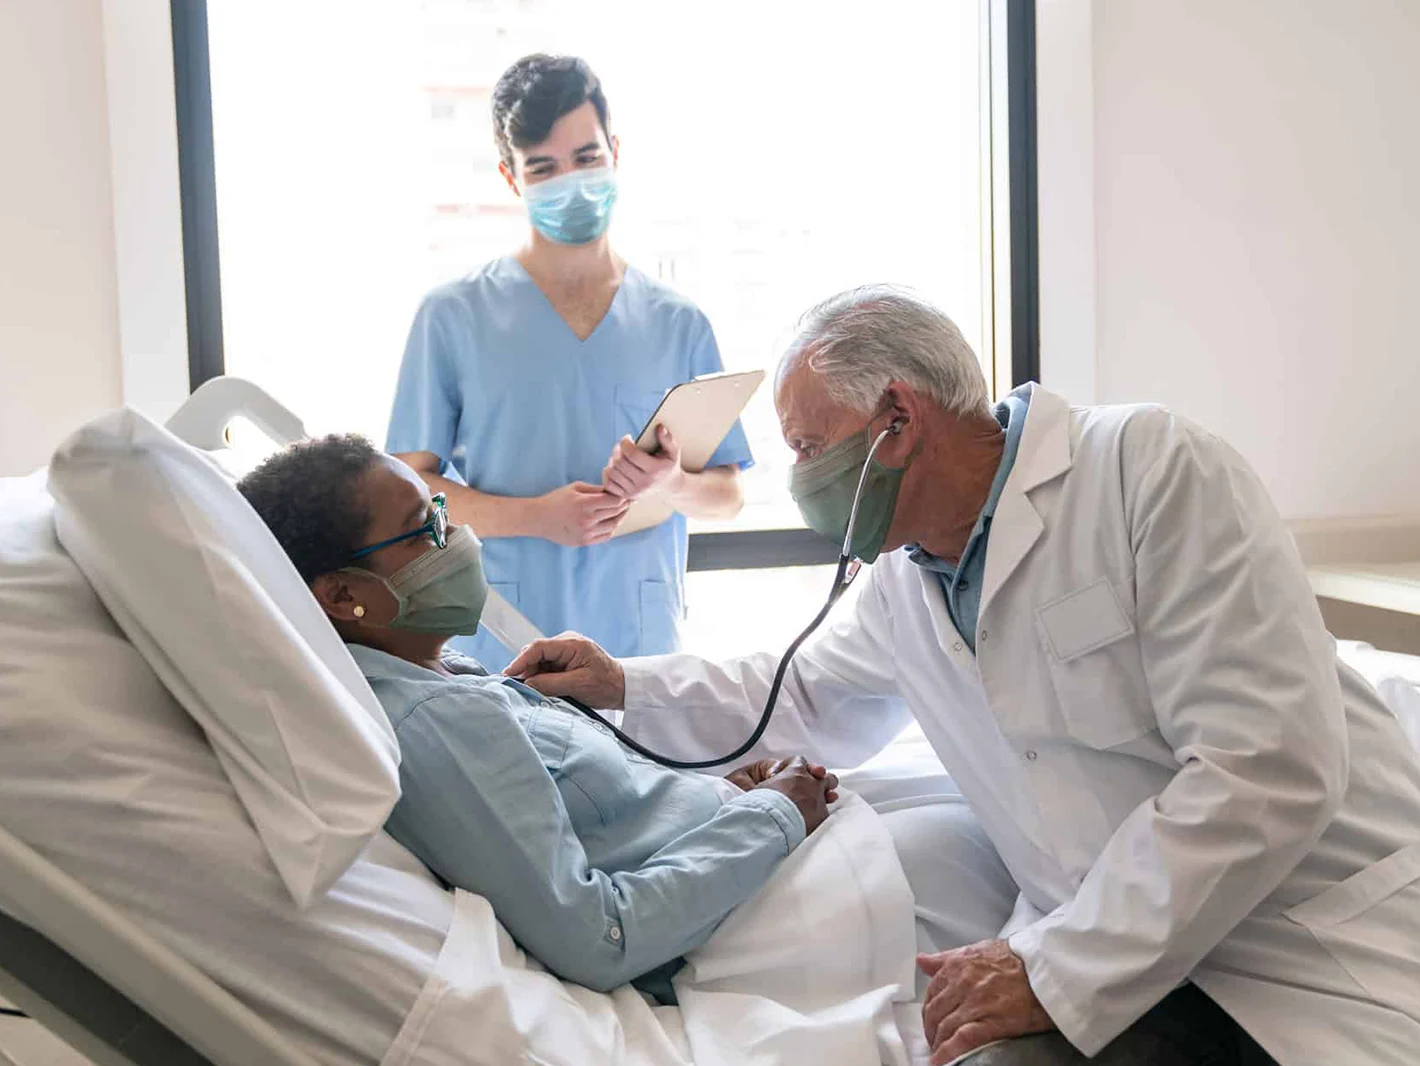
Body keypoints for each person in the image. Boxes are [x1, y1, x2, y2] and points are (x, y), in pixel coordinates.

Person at [506, 286, 1420, 1066]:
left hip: (1299, 941)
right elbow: (801, 696)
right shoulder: (906, 582)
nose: (799, 479)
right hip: (1115, 941)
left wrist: (1051, 969)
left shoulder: (1149, 471)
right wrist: (618, 682)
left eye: (809, 447)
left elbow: (1266, 768)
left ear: (897, 421)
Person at [236, 435, 1019, 1007]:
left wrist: (726, 798)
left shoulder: (444, 675)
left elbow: (606, 819)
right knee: (994, 847)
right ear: (342, 597)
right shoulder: (432, 722)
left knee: (976, 806)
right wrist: (775, 816)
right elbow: (597, 934)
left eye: (444, 511)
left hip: (747, 849)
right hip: (750, 912)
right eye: (427, 531)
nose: (459, 539)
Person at [386, 54, 751, 671]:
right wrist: (536, 517)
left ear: (615, 150)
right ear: (510, 177)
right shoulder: (452, 317)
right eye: (544, 168)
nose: (571, 182)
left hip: (640, 646)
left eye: (586, 159)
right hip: (503, 638)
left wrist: (673, 483)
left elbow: (729, 495)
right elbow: (410, 490)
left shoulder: (677, 323)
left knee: (645, 767)